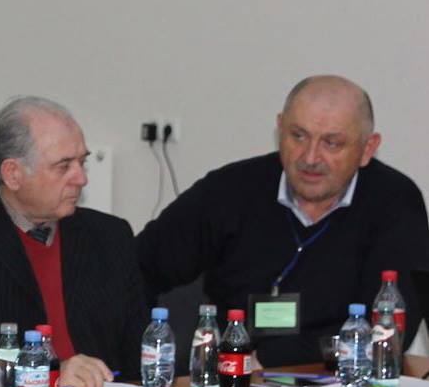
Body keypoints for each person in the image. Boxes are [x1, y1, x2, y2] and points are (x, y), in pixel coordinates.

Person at [137, 75, 429, 366]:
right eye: (298, 136)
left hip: (340, 378)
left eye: (332, 143)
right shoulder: (230, 190)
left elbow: (389, 326)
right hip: (231, 374)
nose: (310, 157)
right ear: (280, 129)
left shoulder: (394, 202)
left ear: (367, 149)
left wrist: (270, 358)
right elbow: (135, 269)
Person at [0, 97, 145, 387]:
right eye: (64, 166)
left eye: (82, 162)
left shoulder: (110, 236)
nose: (81, 178)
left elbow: (140, 351)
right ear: (13, 174)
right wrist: (45, 372)